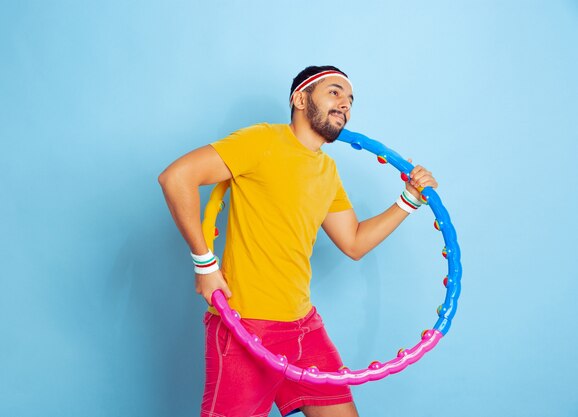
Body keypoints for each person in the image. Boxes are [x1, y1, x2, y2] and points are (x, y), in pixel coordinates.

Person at [158, 65, 438, 417]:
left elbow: (353, 242)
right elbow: (176, 178)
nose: (345, 105)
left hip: (303, 326)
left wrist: (409, 200)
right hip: (245, 325)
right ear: (300, 99)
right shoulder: (261, 141)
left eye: (350, 100)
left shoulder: (327, 171)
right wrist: (205, 263)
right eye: (335, 93)